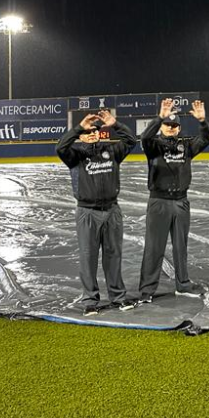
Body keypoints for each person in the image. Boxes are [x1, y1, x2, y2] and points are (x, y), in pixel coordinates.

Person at [56, 109, 138, 316]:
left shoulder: (112, 152)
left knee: (113, 255)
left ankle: (118, 297)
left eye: (96, 131)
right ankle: (90, 300)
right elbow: (60, 147)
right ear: (81, 136)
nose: (92, 133)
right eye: (88, 131)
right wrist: (77, 129)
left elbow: (130, 140)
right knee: (88, 257)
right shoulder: (75, 155)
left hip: (112, 210)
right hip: (87, 212)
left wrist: (115, 124)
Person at [137, 98, 209, 303]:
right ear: (162, 127)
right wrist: (159, 117)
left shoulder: (186, 146)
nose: (171, 128)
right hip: (159, 202)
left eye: (174, 125)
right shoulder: (153, 146)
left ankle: (183, 284)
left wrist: (203, 122)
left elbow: (205, 139)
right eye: (167, 125)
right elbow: (144, 137)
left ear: (179, 128)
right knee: (154, 247)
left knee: (181, 246)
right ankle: (147, 290)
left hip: (181, 202)